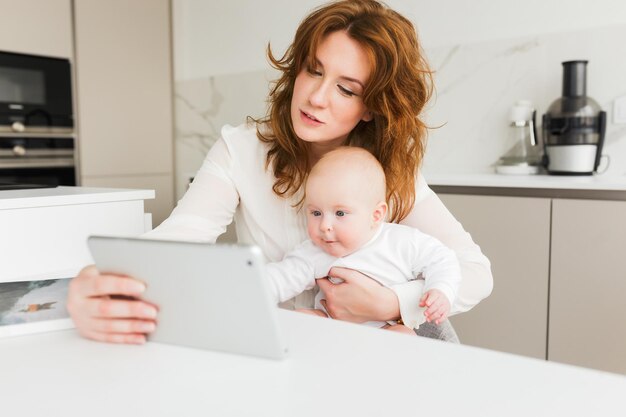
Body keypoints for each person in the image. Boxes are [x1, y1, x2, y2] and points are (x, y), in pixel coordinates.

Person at [67, 0, 492, 344]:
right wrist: (91, 282)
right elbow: (179, 240)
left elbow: (474, 271)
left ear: (372, 107)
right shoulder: (241, 149)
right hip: (293, 346)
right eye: (314, 69)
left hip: (390, 345)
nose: (316, 97)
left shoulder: (387, 171)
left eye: (346, 89)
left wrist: (389, 303)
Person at [266, 146, 461, 335]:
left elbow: (442, 259)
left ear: (376, 215)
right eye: (316, 213)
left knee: (403, 335)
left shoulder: (401, 241)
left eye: (340, 213)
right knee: (300, 319)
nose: (325, 225)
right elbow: (280, 278)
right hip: (331, 325)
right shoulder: (315, 251)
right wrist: (248, 283)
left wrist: (440, 290)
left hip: (385, 328)